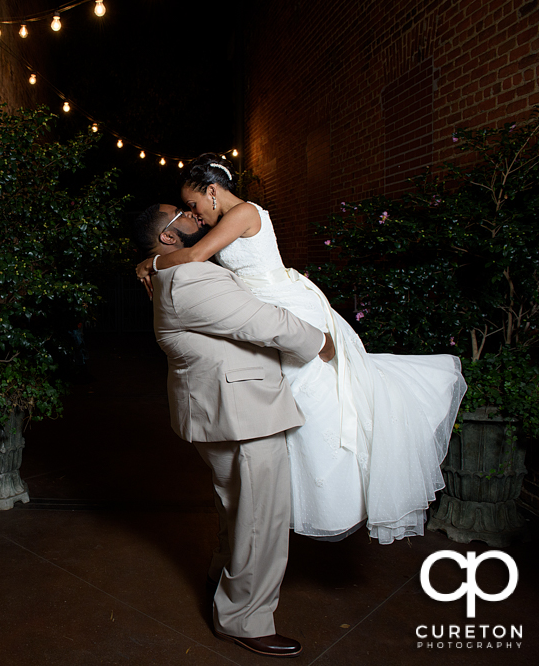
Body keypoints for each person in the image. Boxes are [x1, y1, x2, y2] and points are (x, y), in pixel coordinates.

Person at [136, 153, 467, 545]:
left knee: (318, 398)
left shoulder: (243, 212)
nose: (196, 215)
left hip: (286, 305)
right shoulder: (226, 221)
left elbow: (194, 256)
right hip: (266, 304)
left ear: (212, 191)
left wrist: (150, 263)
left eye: (193, 205)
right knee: (290, 400)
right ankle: (293, 496)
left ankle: (340, 493)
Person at [134, 203, 334, 658]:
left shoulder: (173, 270)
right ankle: (245, 618)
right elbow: (264, 323)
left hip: (222, 406)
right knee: (263, 516)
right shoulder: (189, 278)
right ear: (167, 238)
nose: (194, 216)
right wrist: (320, 343)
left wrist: (147, 262)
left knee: (235, 504)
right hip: (244, 410)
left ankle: (222, 572)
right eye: (181, 215)